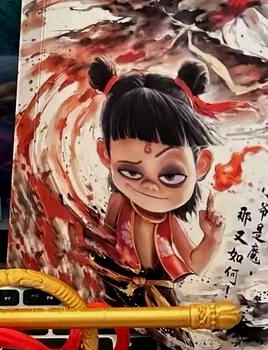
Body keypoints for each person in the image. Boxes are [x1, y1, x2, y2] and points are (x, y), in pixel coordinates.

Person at [87, 57, 225, 318]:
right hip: (116, 284)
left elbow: (193, 264)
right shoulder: (118, 202)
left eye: (171, 175)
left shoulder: (168, 222)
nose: (149, 186)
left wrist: (211, 238)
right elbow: (106, 241)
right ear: (106, 155)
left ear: (201, 164)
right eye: (130, 171)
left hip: (160, 296)